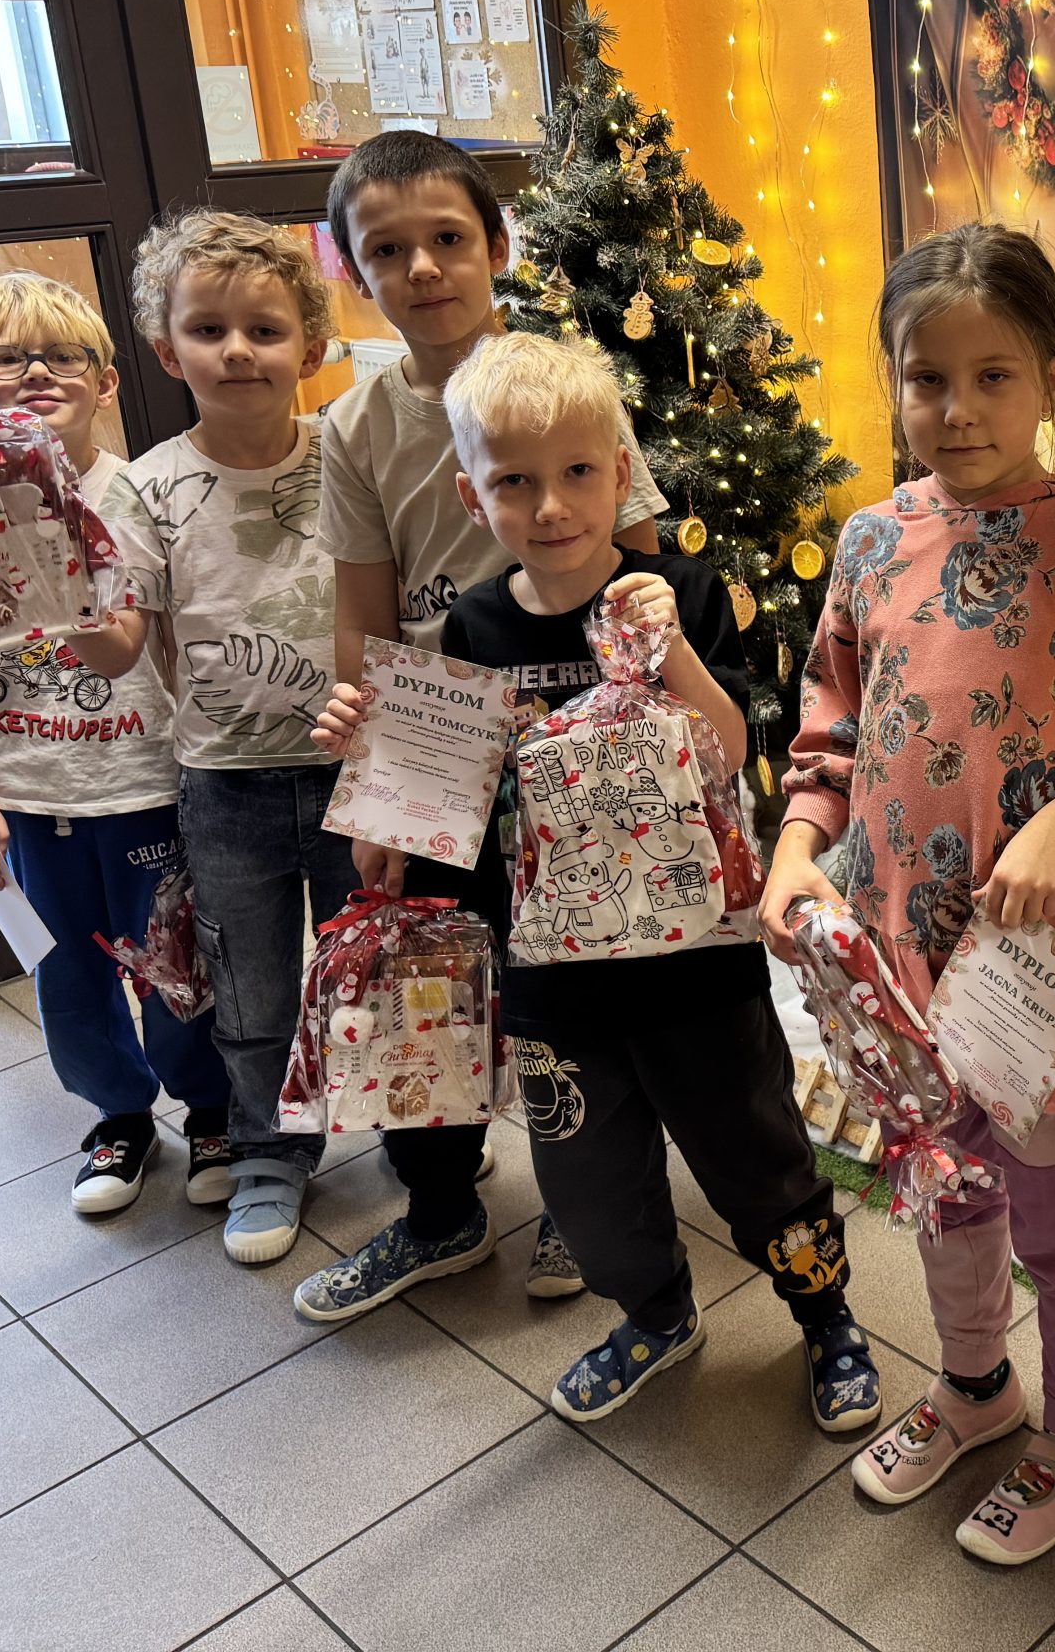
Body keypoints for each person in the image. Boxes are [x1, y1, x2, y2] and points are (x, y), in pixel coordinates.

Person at [308, 332, 880, 1424]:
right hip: (553, 981)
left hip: (695, 964)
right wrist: (371, 758)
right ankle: (655, 1313)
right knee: (588, 1183)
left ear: (622, 475)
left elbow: (728, 755)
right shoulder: (474, 625)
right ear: (473, 499)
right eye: (514, 482)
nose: (551, 505)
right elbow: (443, 805)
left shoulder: (685, 591)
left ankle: (825, 1316)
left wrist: (673, 652)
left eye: (577, 471)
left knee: (759, 1162)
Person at [761, 223, 1055, 1565]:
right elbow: (831, 727)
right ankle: (972, 1387)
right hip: (902, 962)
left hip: (1037, 975)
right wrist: (796, 847)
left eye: (992, 377)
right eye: (926, 379)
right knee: (945, 1194)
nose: (956, 409)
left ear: (1052, 377)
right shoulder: (869, 542)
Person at [303, 128, 668, 1310]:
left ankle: (586, 1199)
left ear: (497, 245)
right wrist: (376, 794)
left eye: (448, 239)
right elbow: (363, 619)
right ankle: (439, 1208)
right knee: (427, 980)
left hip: (574, 736)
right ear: (352, 269)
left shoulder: (571, 389)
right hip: (436, 735)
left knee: (583, 978)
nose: (421, 268)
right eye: (387, 250)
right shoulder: (357, 427)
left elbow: (640, 573)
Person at [75, 210, 349, 1267]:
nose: (238, 351)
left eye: (265, 331)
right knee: (251, 991)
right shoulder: (145, 489)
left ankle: (427, 1143)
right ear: (165, 349)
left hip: (357, 771)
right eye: (208, 330)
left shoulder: (350, 458)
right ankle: (270, 1153)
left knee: (383, 966)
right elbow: (116, 647)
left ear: (310, 349)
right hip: (226, 784)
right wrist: (59, 590)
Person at [0, 273, 232, 1217]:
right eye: (4, 359)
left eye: (62, 356)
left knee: (174, 964)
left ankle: (212, 1107)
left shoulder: (139, 495)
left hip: (145, 784)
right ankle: (118, 1115)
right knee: (67, 976)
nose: (35, 373)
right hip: (32, 798)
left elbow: (168, 642)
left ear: (105, 383)